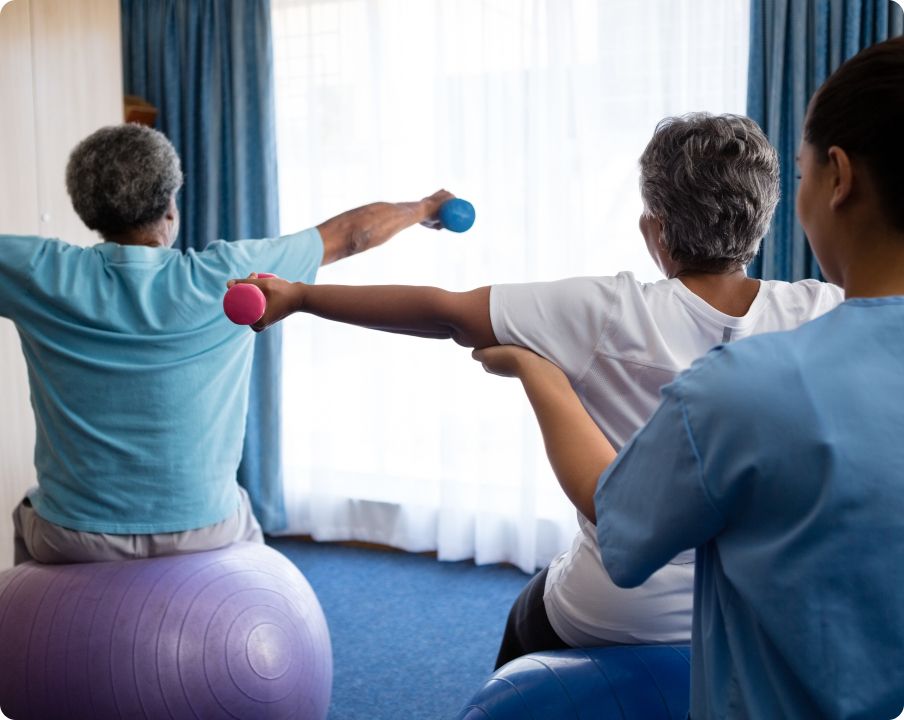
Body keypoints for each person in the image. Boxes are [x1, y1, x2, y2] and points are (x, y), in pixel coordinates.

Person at [229, 113, 844, 667]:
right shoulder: (823, 312)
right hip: (761, 609)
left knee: (528, 613)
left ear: (653, 230)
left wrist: (302, 297)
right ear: (763, 220)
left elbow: (442, 310)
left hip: (618, 609)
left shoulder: (607, 310)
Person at [481, 36, 904, 719]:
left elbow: (621, 527)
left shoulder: (741, 385)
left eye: (800, 173)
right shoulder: (804, 329)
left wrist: (541, 376)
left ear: (838, 178)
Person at [2, 122, 453, 565]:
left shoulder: (39, 273)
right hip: (206, 528)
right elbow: (351, 235)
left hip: (74, 537)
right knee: (251, 538)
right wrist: (426, 207)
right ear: (171, 209)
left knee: (27, 514)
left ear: (88, 213)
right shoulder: (230, 274)